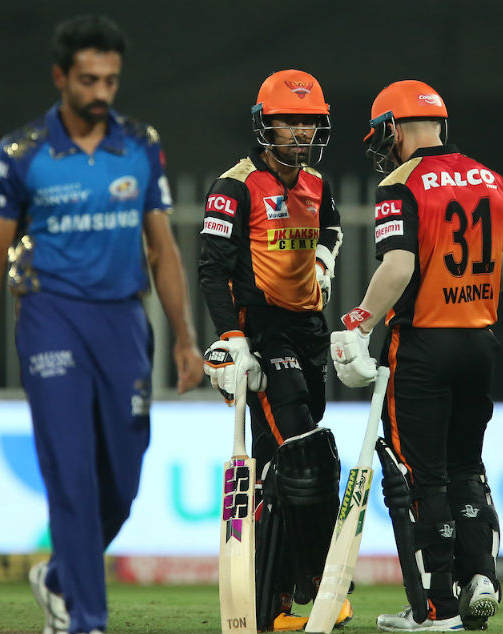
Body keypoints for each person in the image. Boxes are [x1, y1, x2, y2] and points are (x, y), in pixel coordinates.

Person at [0, 15, 203, 634]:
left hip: (123, 321)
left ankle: (61, 578)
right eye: (89, 80)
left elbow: (163, 249)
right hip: (50, 316)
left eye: (110, 81)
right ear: (61, 77)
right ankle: (86, 619)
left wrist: (186, 339)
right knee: (70, 470)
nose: (101, 93)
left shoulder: (140, 144)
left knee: (122, 484)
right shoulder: (20, 155)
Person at [330, 80, 503, 632]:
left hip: (423, 345)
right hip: (479, 342)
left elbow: (397, 267)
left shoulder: (400, 183)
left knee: (422, 476)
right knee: (467, 467)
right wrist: (471, 297)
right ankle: (481, 578)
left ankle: (436, 607)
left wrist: (358, 322)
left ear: (395, 127)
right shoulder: (488, 177)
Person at [198, 69, 350, 632]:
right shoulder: (234, 186)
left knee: (279, 471)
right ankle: (321, 582)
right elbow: (211, 269)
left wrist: (324, 264)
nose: (301, 133)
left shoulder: (317, 184)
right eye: (290, 122)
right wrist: (233, 341)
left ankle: (273, 607)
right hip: (262, 332)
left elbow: (331, 230)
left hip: (309, 331)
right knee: (304, 457)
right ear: (265, 125)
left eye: (309, 122)